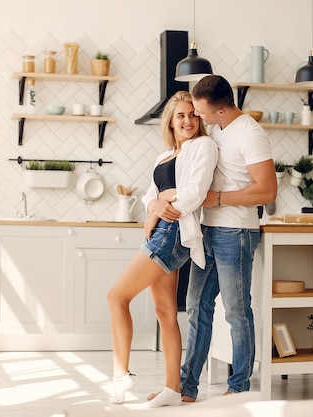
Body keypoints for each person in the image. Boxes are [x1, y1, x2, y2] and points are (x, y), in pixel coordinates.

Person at [156, 75, 277, 401]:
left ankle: (239, 388)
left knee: (237, 312)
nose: (196, 116)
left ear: (220, 109)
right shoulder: (218, 131)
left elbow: (267, 189)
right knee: (196, 305)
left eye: (200, 111)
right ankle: (187, 386)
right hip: (207, 229)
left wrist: (219, 199)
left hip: (236, 231)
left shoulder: (250, 133)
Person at [106, 91, 218, 408]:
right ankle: (172, 388)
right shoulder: (164, 155)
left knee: (116, 296)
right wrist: (155, 204)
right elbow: (149, 196)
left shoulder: (203, 147)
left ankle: (120, 376)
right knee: (165, 313)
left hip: (172, 232)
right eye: (181, 115)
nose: (188, 121)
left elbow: (194, 194)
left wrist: (162, 205)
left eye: (193, 115)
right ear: (170, 120)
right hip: (160, 229)